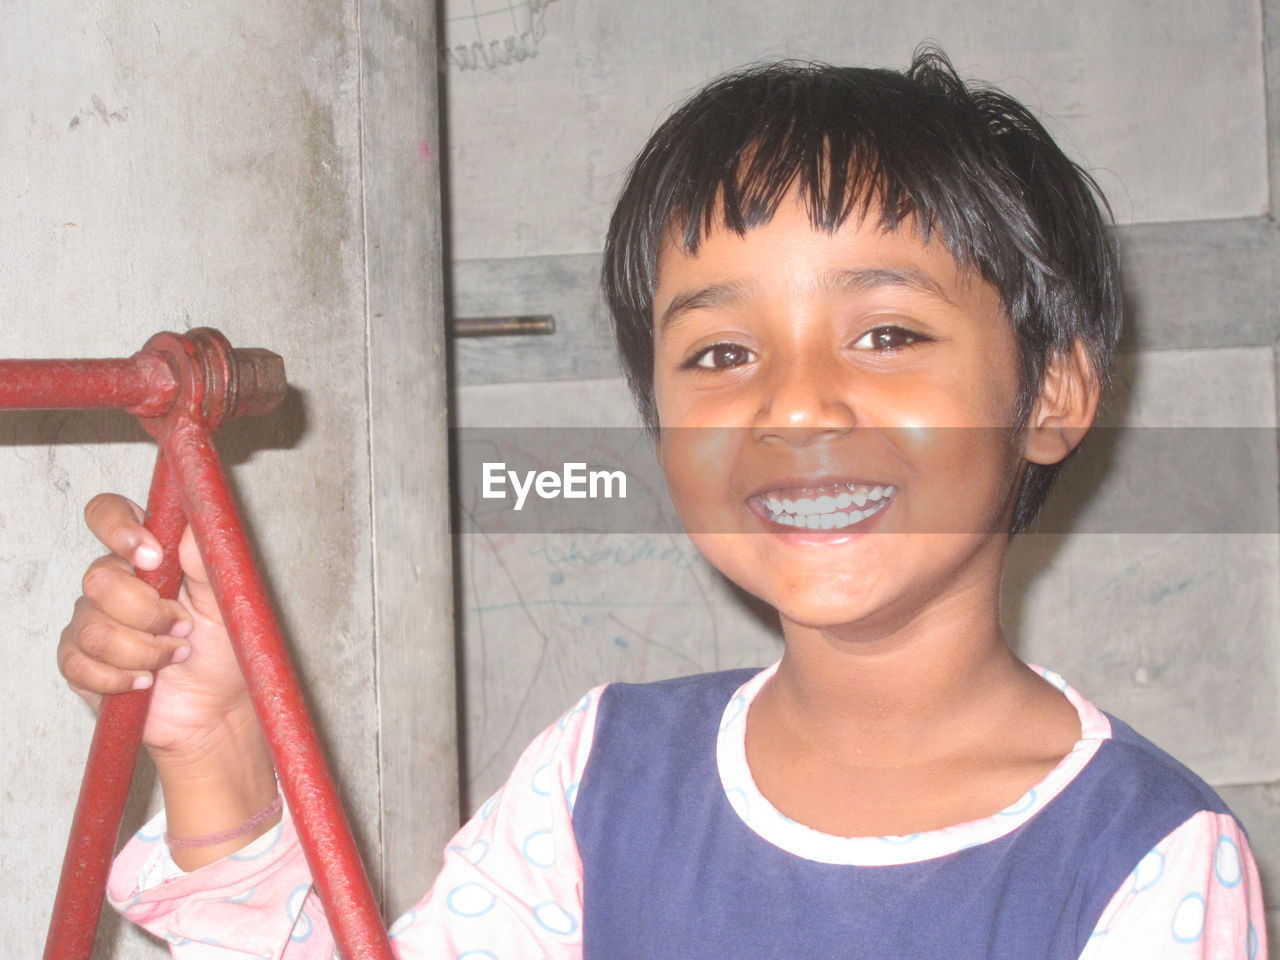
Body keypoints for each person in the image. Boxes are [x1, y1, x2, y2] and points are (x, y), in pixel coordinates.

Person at [59, 46, 1267, 958]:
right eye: (721, 355)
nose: (794, 409)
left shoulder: (1144, 861)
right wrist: (217, 749)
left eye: (886, 332)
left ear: (1051, 393)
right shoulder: (599, 777)